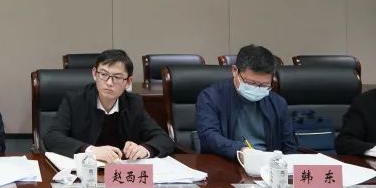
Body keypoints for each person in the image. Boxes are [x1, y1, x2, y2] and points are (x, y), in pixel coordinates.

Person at [44, 49, 174, 161]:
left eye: (117, 77)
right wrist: (91, 151)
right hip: (85, 171)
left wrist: (144, 149)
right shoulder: (75, 100)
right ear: (95, 74)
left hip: (120, 173)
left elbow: (164, 139)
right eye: (104, 74)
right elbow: (52, 137)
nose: (109, 83)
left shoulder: (133, 103)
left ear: (128, 82)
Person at [196, 44, 297, 159]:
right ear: (235, 71)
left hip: (269, 164)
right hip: (227, 162)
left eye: (264, 85)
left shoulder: (278, 103)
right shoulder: (211, 97)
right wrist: (241, 150)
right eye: (251, 83)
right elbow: (209, 137)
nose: (257, 88)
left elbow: (289, 146)